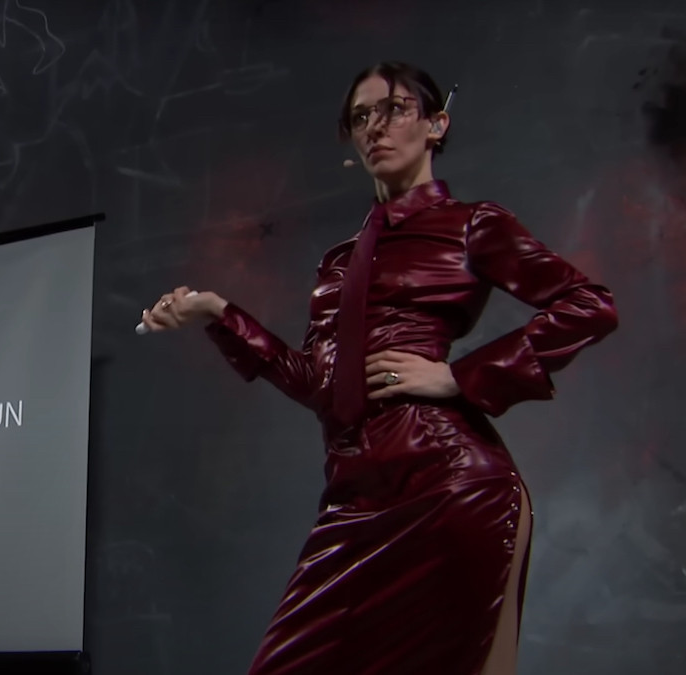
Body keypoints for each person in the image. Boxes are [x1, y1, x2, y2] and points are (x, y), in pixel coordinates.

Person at [139, 61, 618, 675]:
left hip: (448, 485)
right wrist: (218, 313)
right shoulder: (339, 262)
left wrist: (459, 377)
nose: (374, 127)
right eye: (360, 117)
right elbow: (319, 383)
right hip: (353, 502)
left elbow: (589, 307)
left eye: (392, 109)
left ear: (436, 124)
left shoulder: (472, 224)